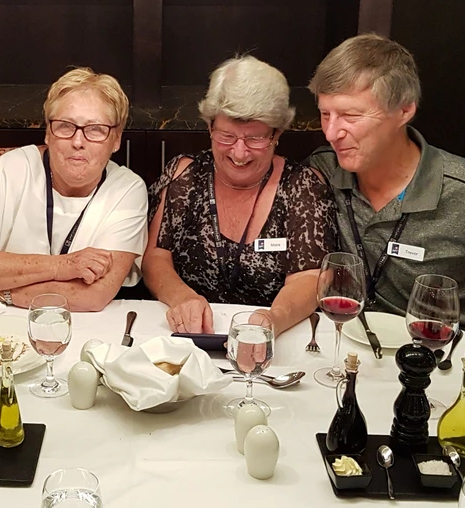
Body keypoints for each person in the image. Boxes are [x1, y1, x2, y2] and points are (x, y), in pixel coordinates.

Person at [307, 33, 465, 341]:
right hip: (359, 342)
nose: (331, 133)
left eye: (350, 116)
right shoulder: (323, 170)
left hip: (454, 346)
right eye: (325, 114)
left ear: (404, 111)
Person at [144, 56, 337, 334]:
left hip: (270, 335)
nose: (239, 152)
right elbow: (156, 258)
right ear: (210, 127)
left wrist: (274, 319)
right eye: (226, 135)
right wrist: (182, 298)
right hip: (189, 335)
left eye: (255, 138)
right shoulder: (185, 176)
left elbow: (309, 278)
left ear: (276, 134)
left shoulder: (302, 186)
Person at [0, 68, 148, 311]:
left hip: (82, 324)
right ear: (48, 132)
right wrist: (62, 266)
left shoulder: (127, 190)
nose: (78, 141)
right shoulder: (12, 168)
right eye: (65, 126)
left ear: (116, 139)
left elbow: (92, 296)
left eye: (95, 129)